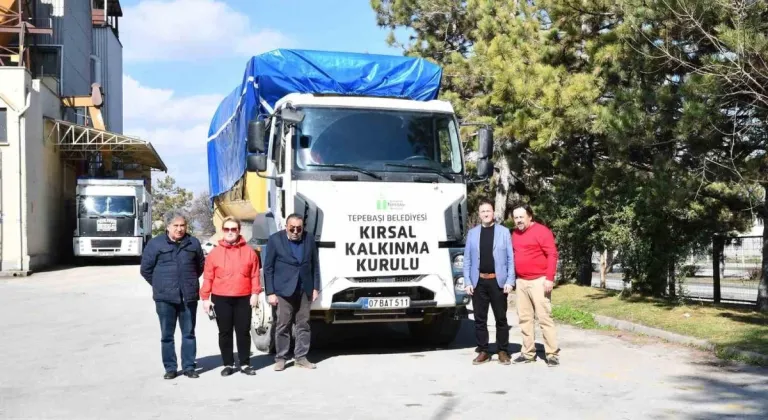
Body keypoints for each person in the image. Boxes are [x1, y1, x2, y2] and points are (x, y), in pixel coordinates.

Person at [140, 211, 205, 379]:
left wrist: (188, 282)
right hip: (165, 299)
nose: (179, 229)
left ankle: (189, 367)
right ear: (168, 227)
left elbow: (199, 267)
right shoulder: (155, 244)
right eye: (175, 226)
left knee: (189, 333)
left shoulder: (193, 243)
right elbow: (145, 270)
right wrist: (161, 285)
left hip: (188, 296)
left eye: (182, 225)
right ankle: (170, 368)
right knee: (167, 335)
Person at [200, 216, 262, 376]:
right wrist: (205, 298)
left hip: (243, 297)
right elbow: (208, 277)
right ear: (222, 231)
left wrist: (255, 293)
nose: (230, 232)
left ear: (238, 231)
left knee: (243, 332)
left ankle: (245, 364)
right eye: (227, 229)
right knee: (225, 332)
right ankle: (227, 363)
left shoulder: (250, 252)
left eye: (233, 229)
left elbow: (255, 275)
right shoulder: (214, 254)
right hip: (221, 298)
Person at [263, 213, 320, 371]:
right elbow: (268, 268)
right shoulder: (275, 240)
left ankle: (301, 357)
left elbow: (315, 264)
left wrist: (315, 287)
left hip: (304, 289)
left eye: (299, 229)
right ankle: (281, 358)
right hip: (283, 290)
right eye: (292, 228)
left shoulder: (309, 239)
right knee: (283, 325)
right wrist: (270, 292)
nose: (295, 231)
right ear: (286, 227)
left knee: (304, 324)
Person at [463, 199, 515, 365]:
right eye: (483, 211)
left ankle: (502, 350)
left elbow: (510, 258)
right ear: (479, 214)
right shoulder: (472, 233)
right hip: (478, 282)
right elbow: (467, 260)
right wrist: (467, 281)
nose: (486, 214)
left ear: (493, 213)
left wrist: (510, 280)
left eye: (488, 211)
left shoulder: (503, 232)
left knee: (501, 318)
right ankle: (483, 350)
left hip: (497, 282)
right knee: (480, 319)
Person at [510, 203, 560, 367]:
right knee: (524, 319)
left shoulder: (542, 231)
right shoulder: (515, 234)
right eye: (516, 217)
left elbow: (552, 254)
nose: (518, 220)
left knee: (544, 318)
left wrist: (549, 278)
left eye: (521, 217)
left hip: (539, 281)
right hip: (521, 281)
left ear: (529, 216)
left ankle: (551, 353)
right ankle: (528, 352)